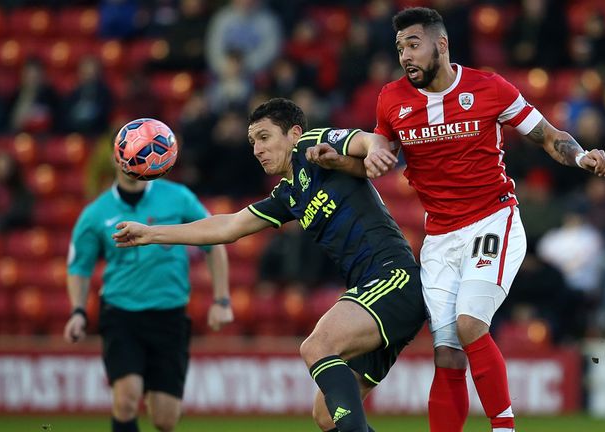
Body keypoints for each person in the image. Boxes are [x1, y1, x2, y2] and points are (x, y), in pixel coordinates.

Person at [311, 7, 605, 432]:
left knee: (471, 323)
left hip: (493, 221)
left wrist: (582, 156)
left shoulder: (488, 87)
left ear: (442, 44)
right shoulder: (391, 100)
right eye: (400, 48)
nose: (406, 56)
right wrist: (337, 162)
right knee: (447, 352)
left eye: (413, 45)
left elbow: (547, 135)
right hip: (440, 237)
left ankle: (504, 428)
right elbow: (377, 163)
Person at [112, 98, 426, 432]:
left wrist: (374, 148)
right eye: (252, 142)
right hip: (374, 294)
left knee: (317, 346)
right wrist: (151, 234)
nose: (257, 149)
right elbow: (228, 227)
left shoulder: (311, 147)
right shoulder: (289, 195)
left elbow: (360, 140)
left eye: (264, 137)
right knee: (325, 415)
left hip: (394, 278)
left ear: (293, 134)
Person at [63, 159, 233, 432]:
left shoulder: (178, 197)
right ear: (115, 159)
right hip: (121, 314)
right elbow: (79, 267)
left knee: (165, 419)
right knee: (126, 399)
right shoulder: (96, 213)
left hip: (170, 315)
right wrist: (78, 312)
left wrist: (221, 300)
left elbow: (215, 241)